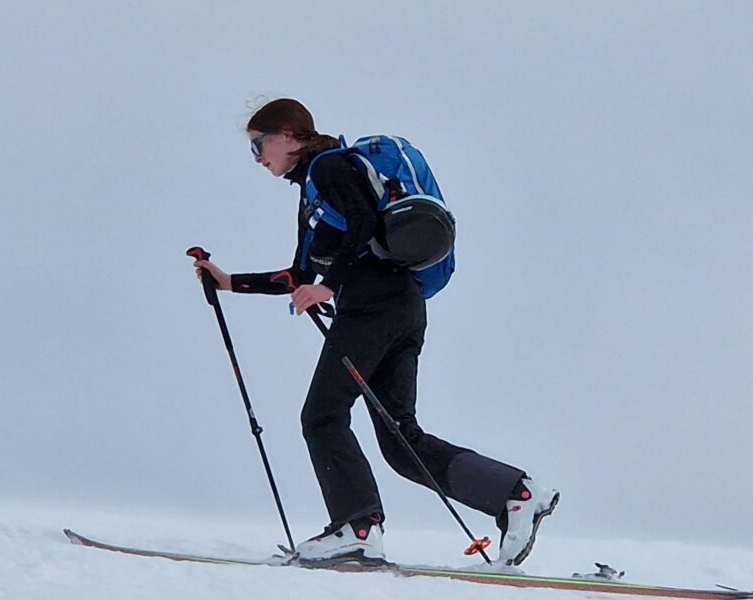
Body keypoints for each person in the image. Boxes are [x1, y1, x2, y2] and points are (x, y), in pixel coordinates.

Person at [193, 98, 559, 566]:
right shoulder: (317, 192)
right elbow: (299, 275)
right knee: (401, 441)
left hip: (372, 306)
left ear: (288, 134)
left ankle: (356, 527)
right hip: (403, 307)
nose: (259, 158)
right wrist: (230, 283)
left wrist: (328, 286)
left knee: (322, 416)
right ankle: (517, 493)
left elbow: (363, 222)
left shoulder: (327, 167)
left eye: (259, 145)